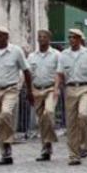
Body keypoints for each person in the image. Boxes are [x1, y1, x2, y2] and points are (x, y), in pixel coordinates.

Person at [0, 26, 34, 166]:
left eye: (0, 35)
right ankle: (5, 153)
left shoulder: (16, 51)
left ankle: (8, 143)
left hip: (11, 89)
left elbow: (26, 71)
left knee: (5, 114)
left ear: (6, 37)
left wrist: (30, 91)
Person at [27, 30, 61, 161]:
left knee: (49, 112)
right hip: (37, 90)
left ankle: (49, 142)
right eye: (39, 37)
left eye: (44, 37)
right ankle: (46, 147)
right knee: (42, 121)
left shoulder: (56, 55)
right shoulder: (31, 57)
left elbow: (59, 73)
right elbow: (28, 74)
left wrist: (57, 88)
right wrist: (29, 90)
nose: (41, 39)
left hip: (51, 89)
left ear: (49, 39)